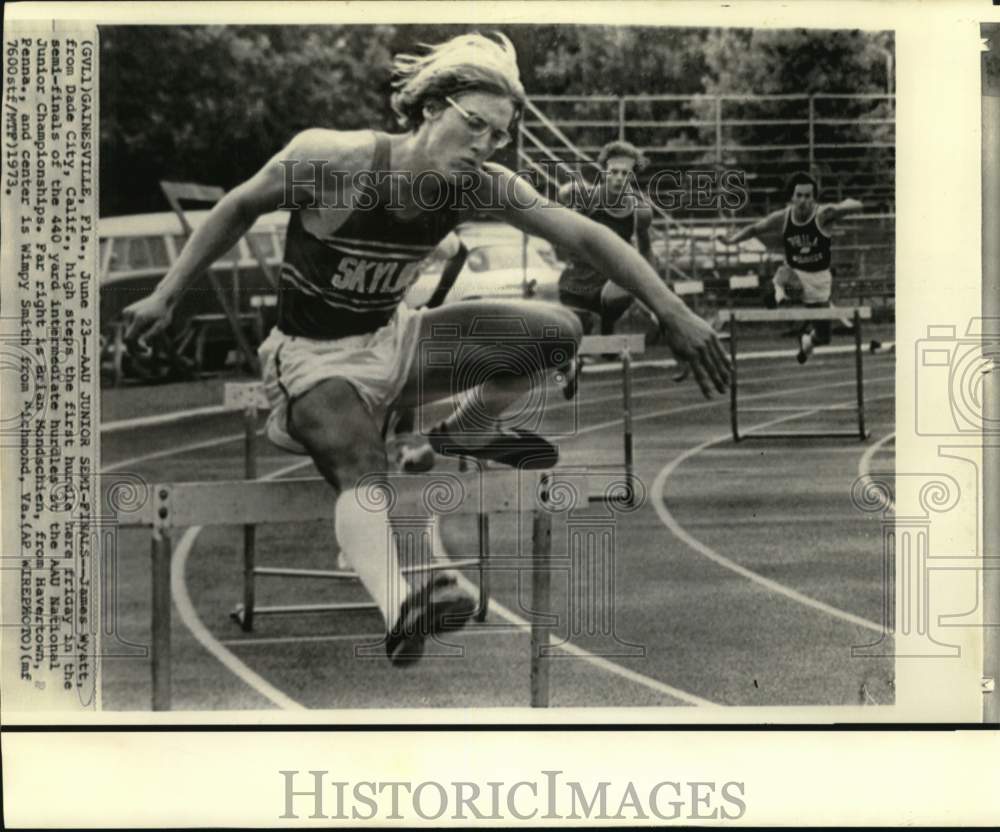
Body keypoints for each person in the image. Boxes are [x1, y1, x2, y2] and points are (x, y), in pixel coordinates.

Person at [122, 33, 729, 667]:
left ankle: (466, 429)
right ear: (431, 107)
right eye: (474, 125)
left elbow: (585, 234)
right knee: (362, 465)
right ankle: (400, 608)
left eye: (498, 136)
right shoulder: (335, 159)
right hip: (313, 357)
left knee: (558, 333)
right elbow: (240, 204)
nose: (484, 146)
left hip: (396, 339)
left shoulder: (477, 185)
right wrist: (168, 293)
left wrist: (674, 310)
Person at [721, 172, 862, 363]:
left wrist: (846, 206)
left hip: (819, 280)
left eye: (807, 196)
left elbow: (855, 205)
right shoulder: (782, 217)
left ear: (813, 199)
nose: (803, 201)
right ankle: (777, 294)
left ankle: (806, 342)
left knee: (824, 337)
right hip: (794, 272)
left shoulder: (823, 215)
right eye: (799, 196)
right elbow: (755, 229)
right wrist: (731, 241)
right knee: (785, 274)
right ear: (792, 198)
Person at [556, 140, 657, 343]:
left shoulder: (641, 210)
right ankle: (588, 327)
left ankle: (608, 323)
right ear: (604, 172)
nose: (619, 178)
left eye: (625, 173)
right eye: (614, 172)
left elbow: (646, 251)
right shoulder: (586, 197)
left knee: (621, 287)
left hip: (613, 277)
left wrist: (652, 293)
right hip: (580, 276)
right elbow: (561, 225)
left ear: (632, 176)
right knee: (573, 338)